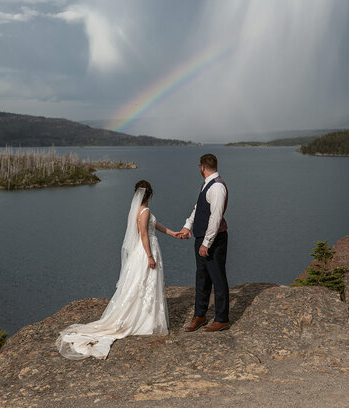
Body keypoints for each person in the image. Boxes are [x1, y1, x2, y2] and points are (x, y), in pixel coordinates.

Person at [56, 180, 178, 360]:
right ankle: (145, 321)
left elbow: (155, 226)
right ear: (150, 194)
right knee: (145, 283)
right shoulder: (145, 211)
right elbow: (144, 234)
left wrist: (173, 233)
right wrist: (150, 256)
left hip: (142, 250)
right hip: (146, 250)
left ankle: (147, 317)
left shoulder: (139, 211)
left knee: (140, 285)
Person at [176, 153, 229, 332]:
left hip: (213, 241)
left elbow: (215, 218)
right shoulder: (208, 184)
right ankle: (200, 315)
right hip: (201, 238)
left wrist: (206, 243)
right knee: (202, 278)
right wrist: (187, 226)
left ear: (202, 168)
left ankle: (222, 319)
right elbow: (198, 208)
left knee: (217, 278)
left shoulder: (217, 188)